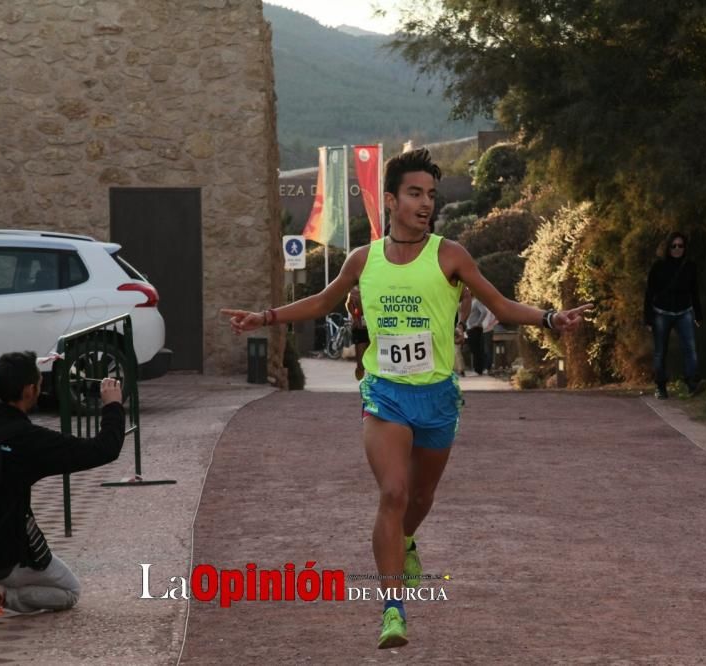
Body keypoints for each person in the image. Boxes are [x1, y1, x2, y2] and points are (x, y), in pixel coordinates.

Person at [222, 148, 592, 649]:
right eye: (415, 194)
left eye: (432, 196)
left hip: (437, 397)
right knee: (393, 494)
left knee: (419, 499)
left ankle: (408, 541)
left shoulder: (450, 255)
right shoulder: (363, 259)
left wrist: (551, 317)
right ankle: (391, 609)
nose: (425, 204)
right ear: (391, 200)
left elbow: (499, 304)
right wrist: (263, 318)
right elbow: (321, 302)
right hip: (385, 394)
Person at [0, 352, 124, 627]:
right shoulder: (31, 441)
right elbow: (103, 449)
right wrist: (112, 406)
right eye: (40, 381)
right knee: (68, 592)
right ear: (30, 390)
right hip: (3, 557)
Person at [643, 231, 706, 399]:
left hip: (684, 311)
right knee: (660, 351)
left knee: (690, 348)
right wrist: (648, 318)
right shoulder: (658, 267)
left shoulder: (689, 266)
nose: (677, 249)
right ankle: (661, 386)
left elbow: (694, 291)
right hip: (661, 313)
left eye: (681, 246)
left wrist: (698, 315)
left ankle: (692, 382)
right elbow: (649, 293)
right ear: (668, 248)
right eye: (674, 246)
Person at [346, 286, 369, 381]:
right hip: (361, 328)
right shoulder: (354, 290)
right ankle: (360, 370)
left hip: (377, 327)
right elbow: (349, 304)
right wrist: (355, 318)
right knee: (361, 363)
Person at [465, 297, 488, 375]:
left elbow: (484, 312)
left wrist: (477, 323)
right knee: (474, 349)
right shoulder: (468, 302)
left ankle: (478, 370)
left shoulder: (476, 301)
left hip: (475, 329)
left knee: (477, 349)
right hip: (470, 329)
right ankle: (478, 369)